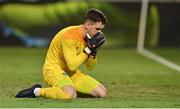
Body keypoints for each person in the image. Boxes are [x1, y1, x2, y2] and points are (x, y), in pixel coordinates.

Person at [15, 8, 107, 99]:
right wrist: (88, 50)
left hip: (70, 72)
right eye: (97, 29)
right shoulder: (70, 36)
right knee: (69, 95)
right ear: (88, 24)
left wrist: (93, 53)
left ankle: (67, 90)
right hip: (53, 69)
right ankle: (36, 91)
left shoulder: (90, 38)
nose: (100, 33)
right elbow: (72, 65)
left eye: (101, 30)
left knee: (101, 93)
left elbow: (90, 67)